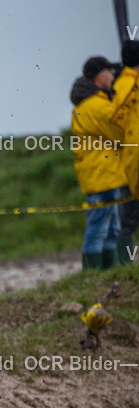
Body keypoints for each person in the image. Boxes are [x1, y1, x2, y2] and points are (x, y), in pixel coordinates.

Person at [71, 56, 129, 270]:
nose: (113, 77)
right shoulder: (97, 106)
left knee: (110, 228)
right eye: (109, 72)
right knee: (99, 230)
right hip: (103, 176)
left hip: (102, 175)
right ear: (99, 76)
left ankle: (105, 274)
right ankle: (95, 273)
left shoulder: (89, 104)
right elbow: (123, 132)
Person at [112, 40, 139, 265]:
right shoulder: (129, 86)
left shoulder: (123, 84)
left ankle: (124, 266)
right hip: (133, 161)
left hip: (128, 160)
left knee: (127, 221)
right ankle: (123, 266)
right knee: (128, 221)